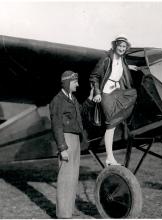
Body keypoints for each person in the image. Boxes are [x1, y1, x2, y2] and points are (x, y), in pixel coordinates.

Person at [49, 70, 93, 219]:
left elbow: (80, 112)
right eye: (75, 82)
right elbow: (56, 125)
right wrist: (62, 148)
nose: (78, 85)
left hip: (75, 139)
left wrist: (90, 99)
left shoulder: (72, 99)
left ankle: (69, 210)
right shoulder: (58, 100)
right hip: (66, 140)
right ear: (68, 83)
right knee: (65, 177)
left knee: (73, 176)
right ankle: (63, 214)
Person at [90, 35, 138, 166]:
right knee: (110, 125)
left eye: (124, 47)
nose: (122, 49)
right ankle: (109, 157)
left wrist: (130, 68)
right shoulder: (106, 59)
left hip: (117, 91)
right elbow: (94, 76)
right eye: (120, 46)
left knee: (133, 94)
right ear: (115, 46)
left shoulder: (122, 59)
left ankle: (111, 155)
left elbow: (120, 70)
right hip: (106, 93)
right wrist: (97, 93)